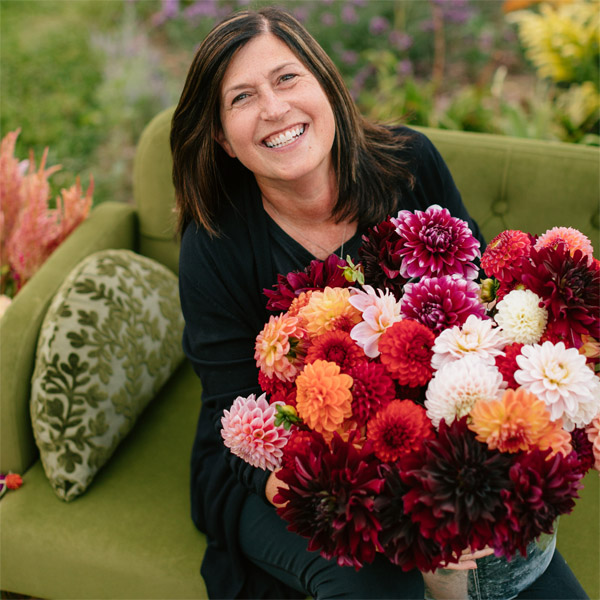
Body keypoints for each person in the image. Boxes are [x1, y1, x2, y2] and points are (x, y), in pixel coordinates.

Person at [171, 7, 589, 600]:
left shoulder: (409, 165)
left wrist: (467, 493)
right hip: (291, 472)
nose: (273, 108)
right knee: (379, 590)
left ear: (325, 84)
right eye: (241, 98)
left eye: (287, 78)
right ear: (222, 138)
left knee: (529, 580)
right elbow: (234, 420)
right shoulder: (214, 245)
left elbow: (483, 312)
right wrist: (382, 515)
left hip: (440, 438)